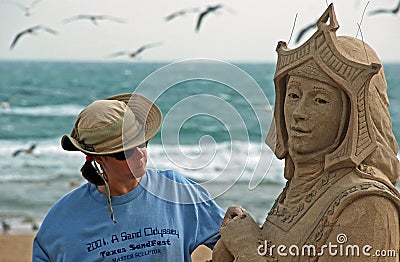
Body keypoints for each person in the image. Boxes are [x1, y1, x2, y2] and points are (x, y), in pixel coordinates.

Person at [213, 4, 400, 261]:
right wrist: (235, 241)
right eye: (293, 95)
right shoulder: (302, 188)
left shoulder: (368, 205)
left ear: (354, 113)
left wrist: (247, 247)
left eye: (320, 100)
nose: (299, 112)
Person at [32, 93, 225, 261]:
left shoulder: (176, 190)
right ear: (99, 158)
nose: (140, 154)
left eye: (142, 142)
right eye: (126, 152)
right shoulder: (61, 222)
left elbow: (232, 244)